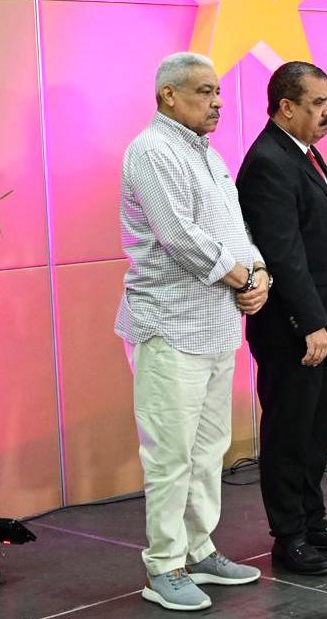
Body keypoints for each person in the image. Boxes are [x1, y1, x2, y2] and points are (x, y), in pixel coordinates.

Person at [116, 52, 265, 612]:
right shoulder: (151, 151)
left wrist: (260, 273)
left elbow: (235, 230)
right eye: (205, 92)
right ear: (168, 95)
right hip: (169, 324)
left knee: (209, 451)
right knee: (170, 455)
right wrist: (244, 276)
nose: (217, 102)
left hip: (217, 322)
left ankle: (198, 550)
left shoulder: (208, 153)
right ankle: (164, 565)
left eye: (219, 92)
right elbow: (179, 236)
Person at [236, 61, 327, 577]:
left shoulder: (303, 153)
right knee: (290, 433)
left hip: (326, 323)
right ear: (286, 107)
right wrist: (311, 322)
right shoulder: (269, 161)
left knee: (315, 430)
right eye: (318, 103)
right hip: (296, 329)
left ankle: (313, 520)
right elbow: (284, 253)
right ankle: (288, 535)